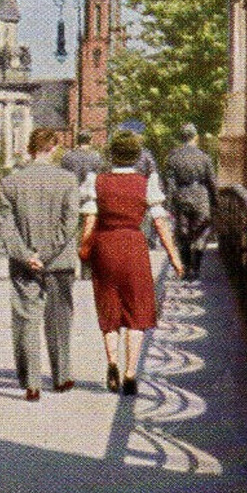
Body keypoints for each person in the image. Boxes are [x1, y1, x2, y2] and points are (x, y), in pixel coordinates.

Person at [79, 130, 186, 396]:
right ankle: (130, 374)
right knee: (136, 312)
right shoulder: (145, 183)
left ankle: (112, 362)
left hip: (105, 246)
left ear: (112, 154)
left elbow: (90, 220)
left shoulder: (97, 181)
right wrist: (173, 256)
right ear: (137, 156)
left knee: (109, 305)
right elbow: (160, 222)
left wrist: (84, 248)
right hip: (134, 247)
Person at [0, 128, 81, 402]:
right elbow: (70, 222)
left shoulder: (10, 183)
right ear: (54, 148)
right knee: (59, 320)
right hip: (59, 262)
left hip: (24, 264)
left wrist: (25, 254)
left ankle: (32, 382)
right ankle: (61, 376)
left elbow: (5, 225)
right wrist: (46, 253)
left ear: (30, 149)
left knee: (26, 319)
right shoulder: (67, 180)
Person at [164, 123, 217, 280]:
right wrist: (215, 201)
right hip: (201, 196)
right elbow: (211, 181)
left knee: (183, 233)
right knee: (201, 232)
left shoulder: (173, 158)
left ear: (181, 138)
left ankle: (186, 267)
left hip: (181, 196)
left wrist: (168, 205)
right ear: (196, 137)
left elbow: (170, 184)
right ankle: (196, 267)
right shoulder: (204, 157)